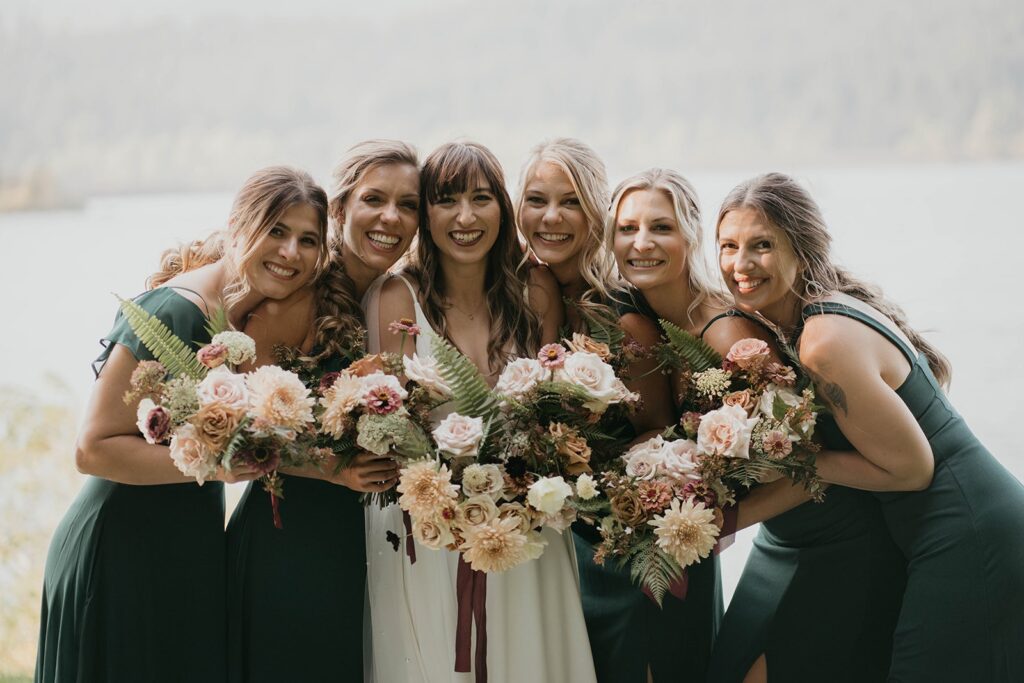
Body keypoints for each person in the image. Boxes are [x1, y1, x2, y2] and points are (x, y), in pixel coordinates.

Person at [712, 171, 1024, 682]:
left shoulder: (823, 341)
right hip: (955, 531)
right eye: (728, 245)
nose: (740, 264)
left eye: (762, 245)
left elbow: (912, 470)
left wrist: (798, 460)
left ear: (803, 248)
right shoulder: (809, 320)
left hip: (969, 535)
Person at [35, 166, 328, 682]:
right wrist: (222, 467)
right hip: (121, 550)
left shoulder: (236, 316)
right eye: (276, 231)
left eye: (308, 240)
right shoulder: (175, 311)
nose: (291, 253)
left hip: (184, 545)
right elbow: (93, 448)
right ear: (239, 225)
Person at [363, 140, 597, 682]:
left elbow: (550, 417)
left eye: (482, 198)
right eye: (447, 200)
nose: (465, 217)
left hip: (525, 526)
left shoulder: (534, 289)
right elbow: (388, 423)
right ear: (426, 214)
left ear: (503, 208)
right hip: (429, 531)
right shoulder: (394, 297)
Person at [225, 140, 421, 682]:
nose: (390, 217)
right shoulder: (294, 299)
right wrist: (331, 468)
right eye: (375, 199)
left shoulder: (398, 297)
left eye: (408, 205)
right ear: (341, 209)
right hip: (288, 536)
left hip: (357, 541)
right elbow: (246, 434)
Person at [594, 168, 784, 681]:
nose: (642, 243)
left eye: (661, 227)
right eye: (627, 229)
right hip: (685, 546)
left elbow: (790, 457)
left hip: (779, 538)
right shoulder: (647, 325)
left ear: (691, 236)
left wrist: (709, 521)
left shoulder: (727, 333)